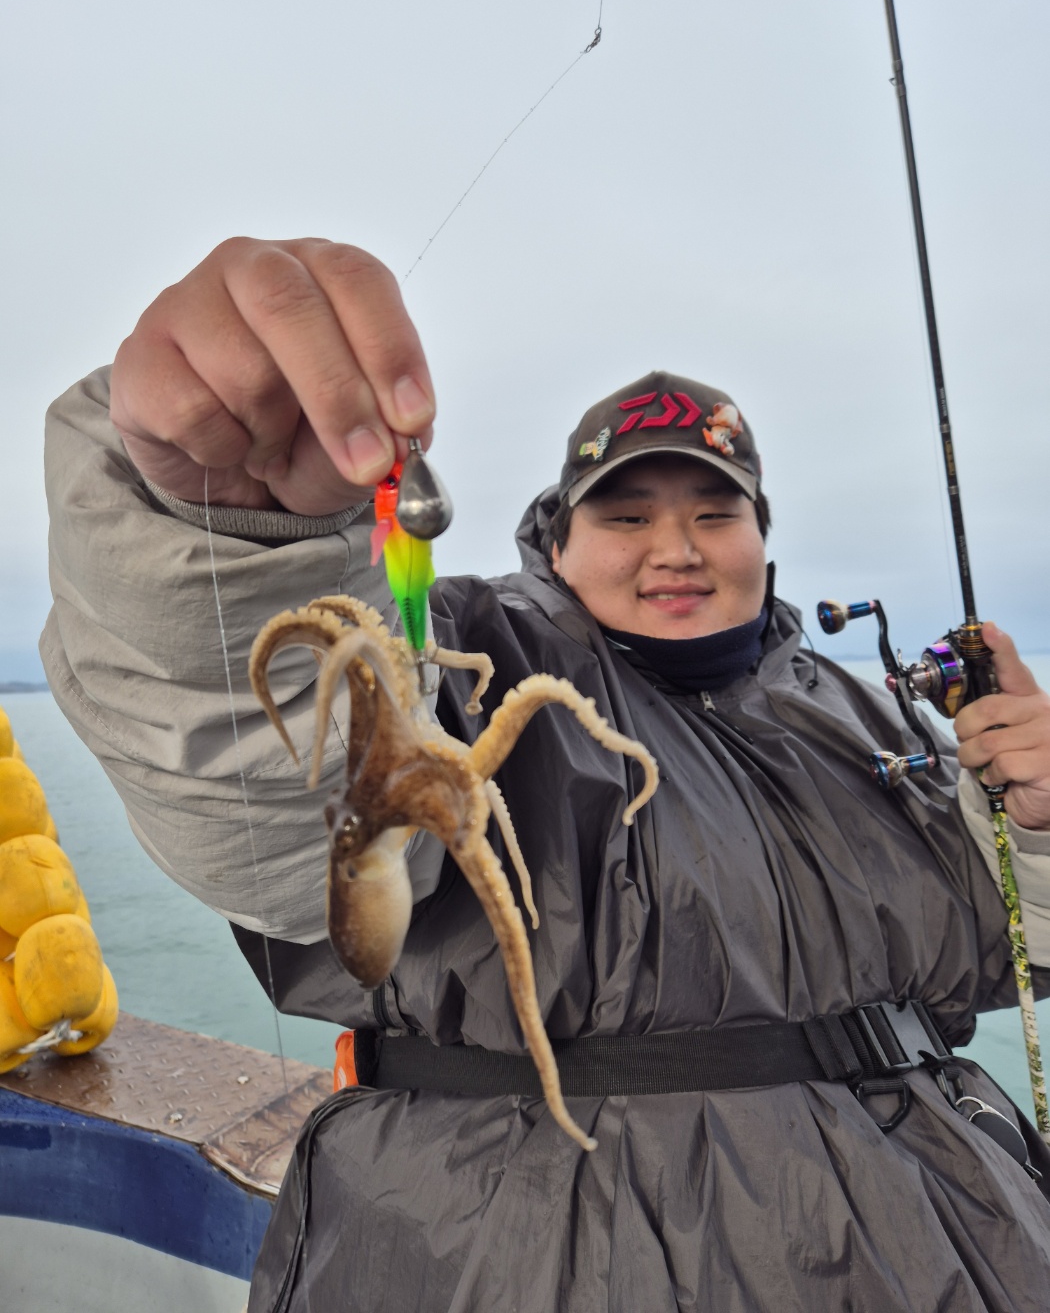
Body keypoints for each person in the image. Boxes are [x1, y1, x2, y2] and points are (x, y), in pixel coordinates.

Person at [41, 238, 1050, 1312]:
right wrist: (227, 526)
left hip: (946, 1250)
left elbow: (992, 956)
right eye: (627, 515)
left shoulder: (862, 714)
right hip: (531, 1256)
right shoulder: (464, 655)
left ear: (764, 537)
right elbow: (279, 780)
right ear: (556, 544)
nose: (677, 547)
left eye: (716, 513)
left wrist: (1034, 833)